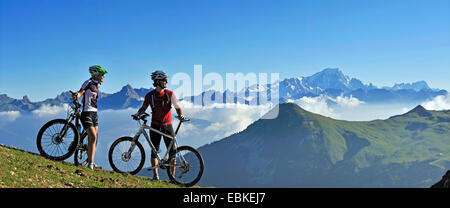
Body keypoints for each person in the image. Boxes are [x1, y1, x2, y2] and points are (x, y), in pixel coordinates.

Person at [135, 70, 184, 180]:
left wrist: (180, 115)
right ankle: (155, 176)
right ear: (157, 82)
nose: (166, 82)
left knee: (172, 153)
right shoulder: (150, 96)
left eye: (166, 80)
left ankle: (172, 178)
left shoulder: (170, 94)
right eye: (164, 80)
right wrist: (138, 114)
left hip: (168, 126)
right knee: (154, 151)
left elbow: (177, 107)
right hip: (155, 126)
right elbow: (144, 107)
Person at [72, 65, 108, 170]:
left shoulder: (97, 85)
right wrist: (77, 95)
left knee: (94, 139)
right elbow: (81, 92)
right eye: (102, 75)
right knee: (92, 136)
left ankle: (90, 161)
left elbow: (88, 98)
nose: (104, 77)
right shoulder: (88, 82)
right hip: (87, 113)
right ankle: (90, 165)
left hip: (94, 114)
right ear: (96, 75)